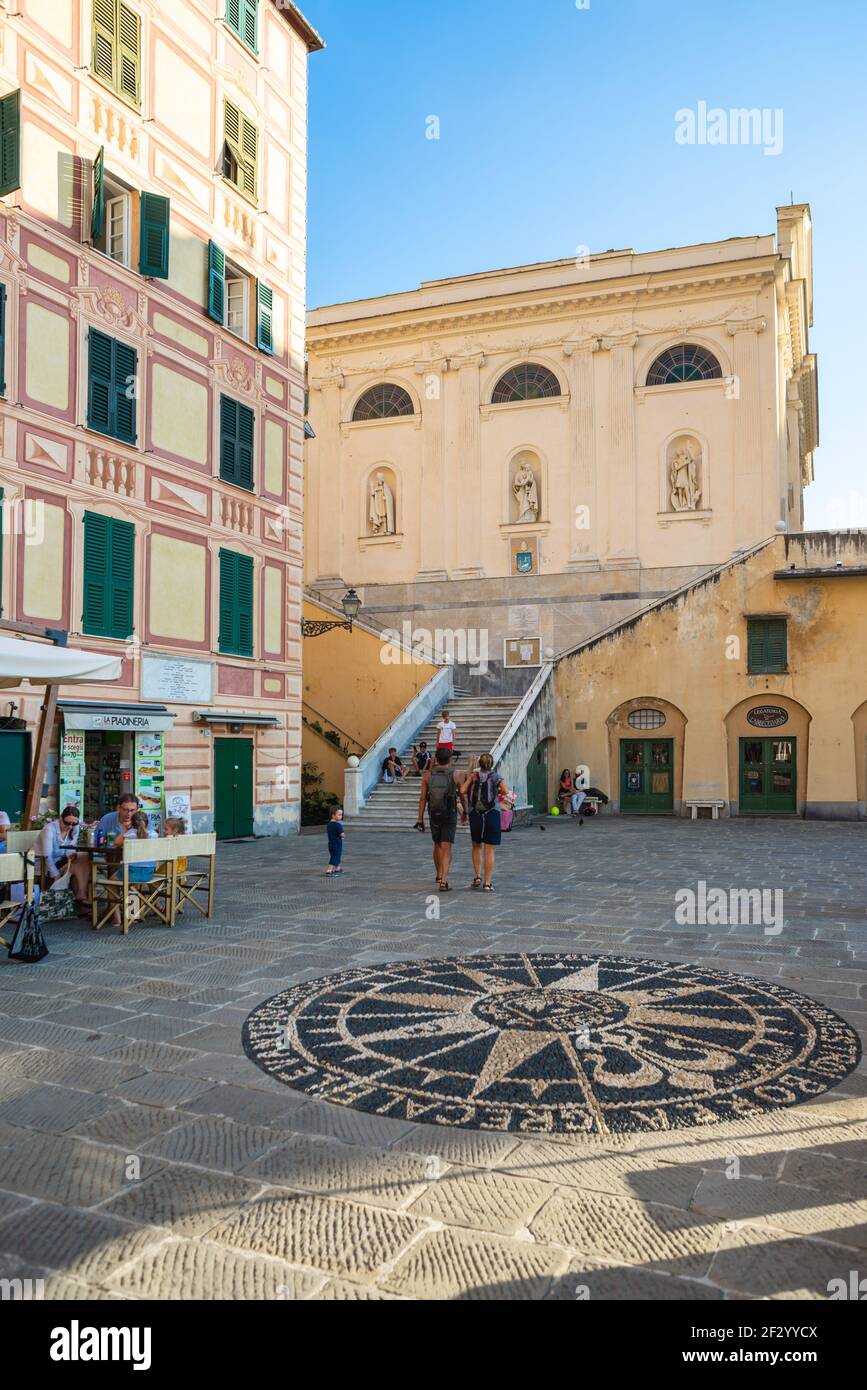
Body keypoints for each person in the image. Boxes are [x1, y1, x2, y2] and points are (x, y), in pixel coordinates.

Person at [415, 746, 467, 892]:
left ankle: (438, 875)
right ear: (450, 759)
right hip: (449, 813)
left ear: (435, 759)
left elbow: (422, 798)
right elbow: (462, 795)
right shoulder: (455, 774)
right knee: (446, 847)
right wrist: (465, 812)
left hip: (433, 813)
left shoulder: (427, 775)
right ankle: (444, 880)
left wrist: (420, 819)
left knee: (436, 844)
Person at [463, 753, 506, 892]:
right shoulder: (495, 777)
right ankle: (487, 883)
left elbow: (463, 790)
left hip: (476, 814)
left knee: (476, 845)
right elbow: (505, 791)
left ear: (479, 764)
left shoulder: (474, 776)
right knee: (490, 850)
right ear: (491, 764)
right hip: (491, 813)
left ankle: (477, 877)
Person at [35, 806, 86, 904]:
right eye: (67, 823)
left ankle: (79, 897)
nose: (70, 826)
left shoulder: (75, 827)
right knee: (78, 866)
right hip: (47, 864)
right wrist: (56, 874)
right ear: (60, 818)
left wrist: (71, 855)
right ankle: (81, 897)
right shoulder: (49, 829)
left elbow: (72, 847)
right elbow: (47, 856)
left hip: (63, 860)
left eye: (74, 823)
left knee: (84, 857)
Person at [326, 805, 344, 876]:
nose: (341, 816)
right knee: (335, 857)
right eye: (339, 815)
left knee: (336, 856)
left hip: (331, 844)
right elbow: (342, 834)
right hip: (337, 844)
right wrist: (342, 836)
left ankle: (338, 868)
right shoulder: (338, 825)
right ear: (333, 815)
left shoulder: (329, 824)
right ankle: (329, 870)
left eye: (341, 814)